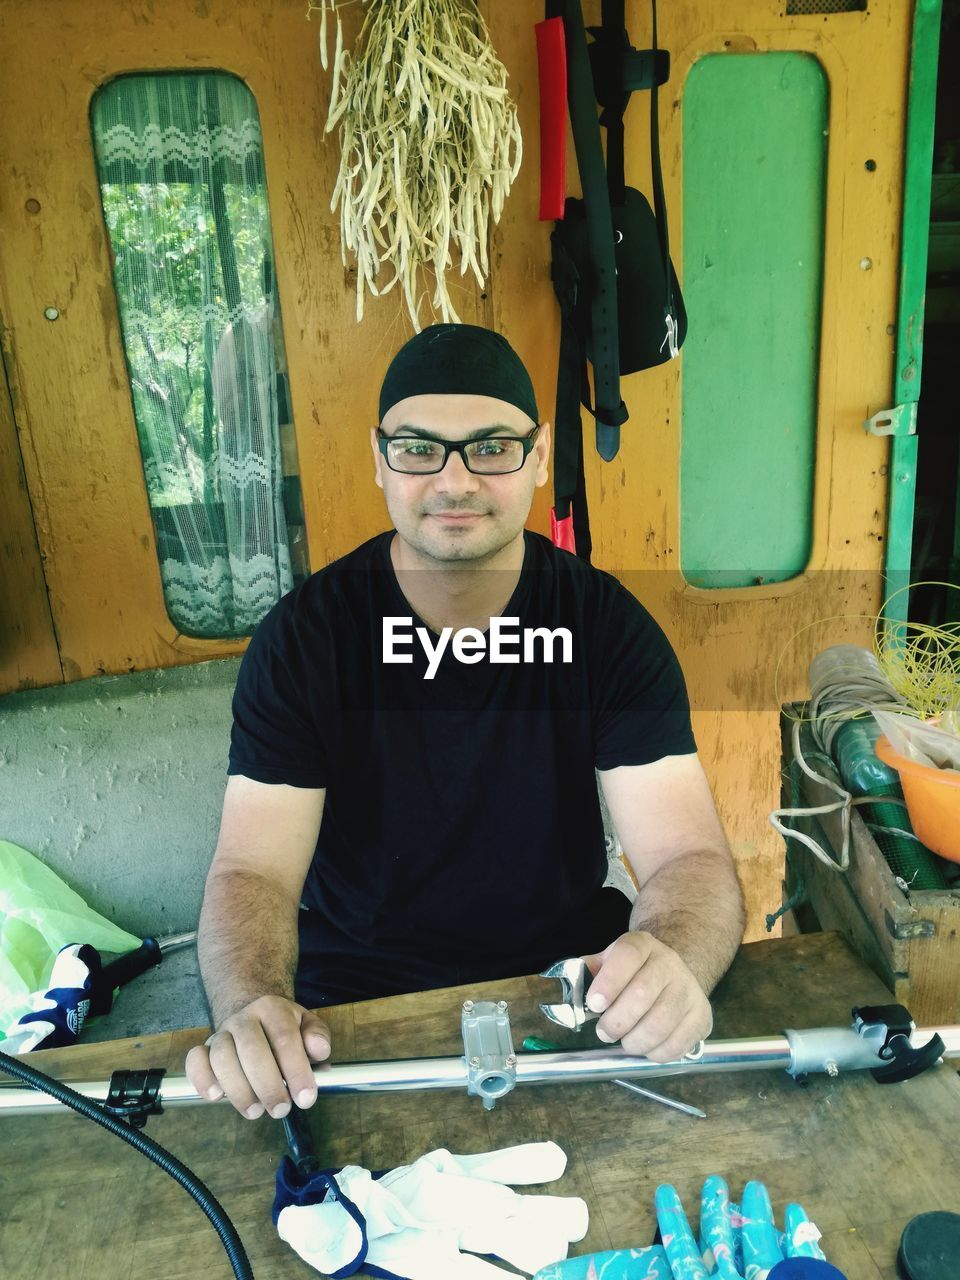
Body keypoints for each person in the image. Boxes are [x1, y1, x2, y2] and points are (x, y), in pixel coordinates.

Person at [185, 323, 745, 1121]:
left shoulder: (606, 628)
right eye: (418, 449)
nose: (454, 481)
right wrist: (249, 1004)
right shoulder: (305, 642)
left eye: (490, 447)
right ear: (380, 459)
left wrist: (674, 958)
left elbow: (688, 855)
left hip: (567, 969)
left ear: (540, 456)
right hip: (354, 980)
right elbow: (252, 872)